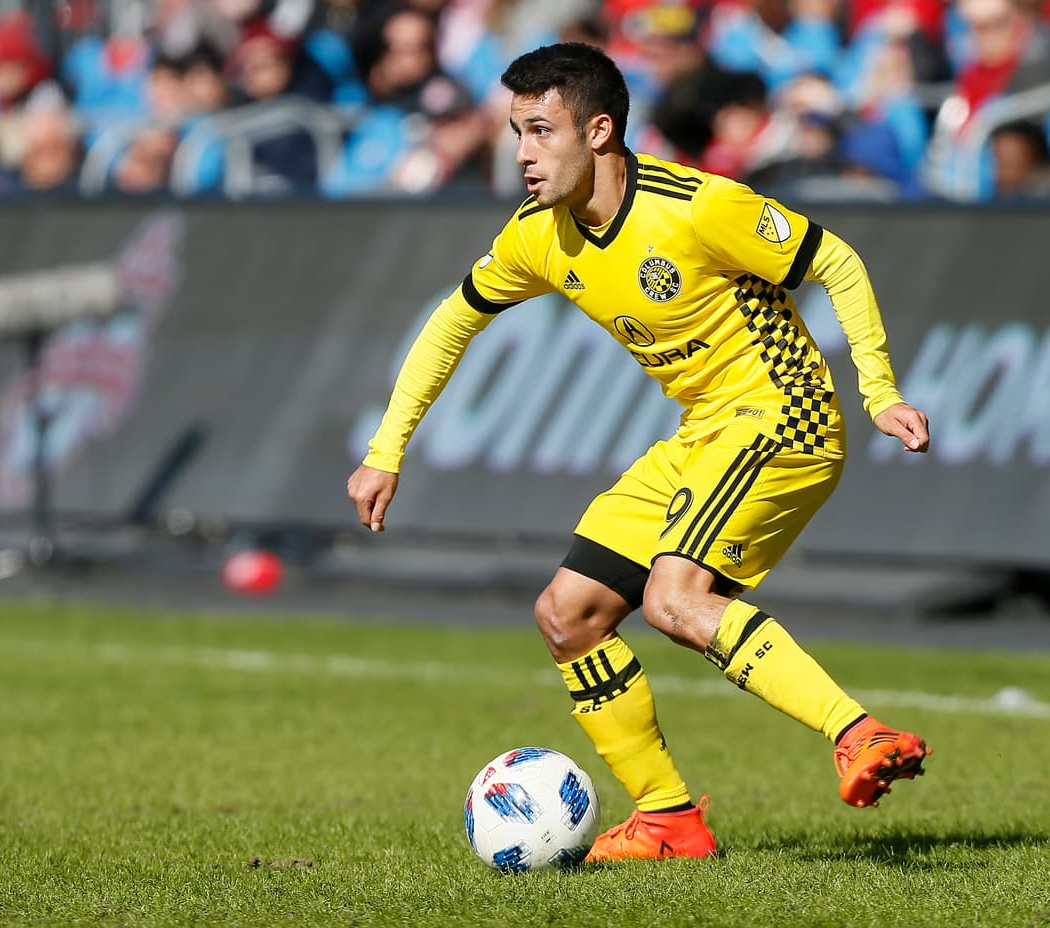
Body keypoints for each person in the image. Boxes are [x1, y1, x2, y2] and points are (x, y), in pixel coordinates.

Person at [347, 42, 932, 863]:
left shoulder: (697, 207)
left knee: (674, 598)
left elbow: (833, 258)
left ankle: (858, 734)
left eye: (539, 131)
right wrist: (387, 448)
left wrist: (879, 391)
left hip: (783, 416)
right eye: (515, 131)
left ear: (599, 131)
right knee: (568, 615)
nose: (520, 153)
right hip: (703, 434)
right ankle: (669, 821)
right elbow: (453, 320)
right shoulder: (536, 236)